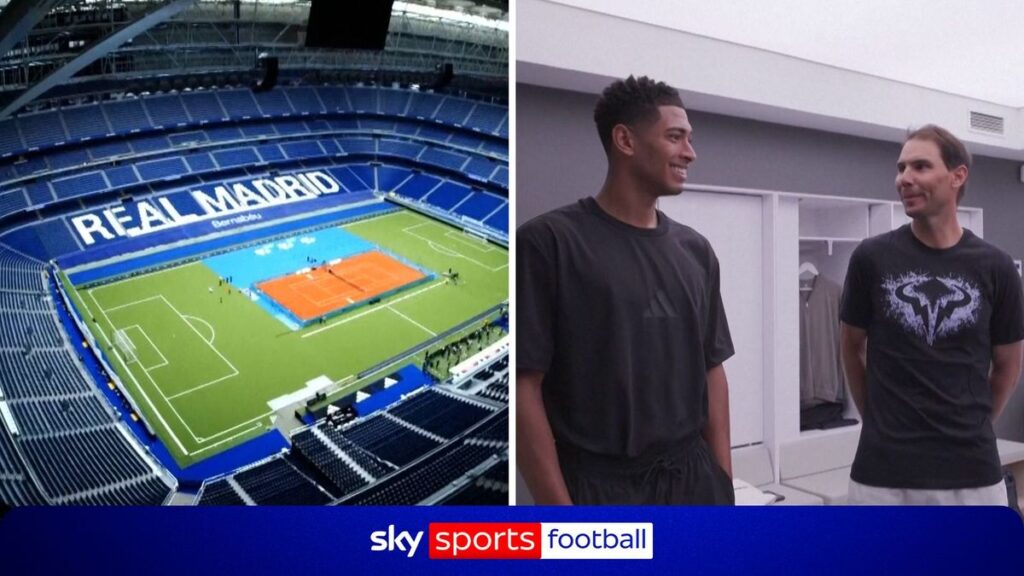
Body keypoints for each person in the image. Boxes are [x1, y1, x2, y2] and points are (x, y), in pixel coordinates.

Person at [517, 75, 735, 505]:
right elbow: (526, 390)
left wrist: (722, 481)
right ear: (625, 140)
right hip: (601, 488)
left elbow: (713, 369)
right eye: (675, 137)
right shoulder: (550, 243)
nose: (690, 152)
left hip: (694, 480)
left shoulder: (696, 251)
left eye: (689, 138)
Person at [840, 124, 1024, 505]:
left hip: (970, 477)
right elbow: (851, 348)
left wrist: (971, 427)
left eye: (920, 166)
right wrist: (878, 420)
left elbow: (1008, 366)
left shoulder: (996, 266)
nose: (904, 178)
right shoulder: (871, 259)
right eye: (901, 167)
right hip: (882, 477)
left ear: (957, 176)